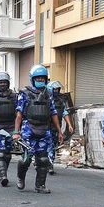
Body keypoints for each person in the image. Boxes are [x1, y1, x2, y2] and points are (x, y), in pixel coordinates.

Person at [13, 65, 61, 193]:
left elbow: (54, 113)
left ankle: (40, 185)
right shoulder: (24, 94)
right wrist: (16, 132)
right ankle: (20, 177)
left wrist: (59, 131)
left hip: (44, 129)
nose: (40, 80)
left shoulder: (48, 94)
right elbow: (19, 115)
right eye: (38, 78)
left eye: (42, 78)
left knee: (43, 159)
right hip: (29, 128)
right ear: (32, 79)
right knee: (26, 159)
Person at [47, 80, 75, 175]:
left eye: (57, 89)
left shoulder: (60, 101)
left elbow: (64, 113)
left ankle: (50, 162)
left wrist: (69, 125)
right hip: (45, 126)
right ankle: (47, 163)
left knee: (54, 145)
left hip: (56, 126)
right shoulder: (45, 99)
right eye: (54, 89)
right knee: (48, 145)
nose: (56, 91)